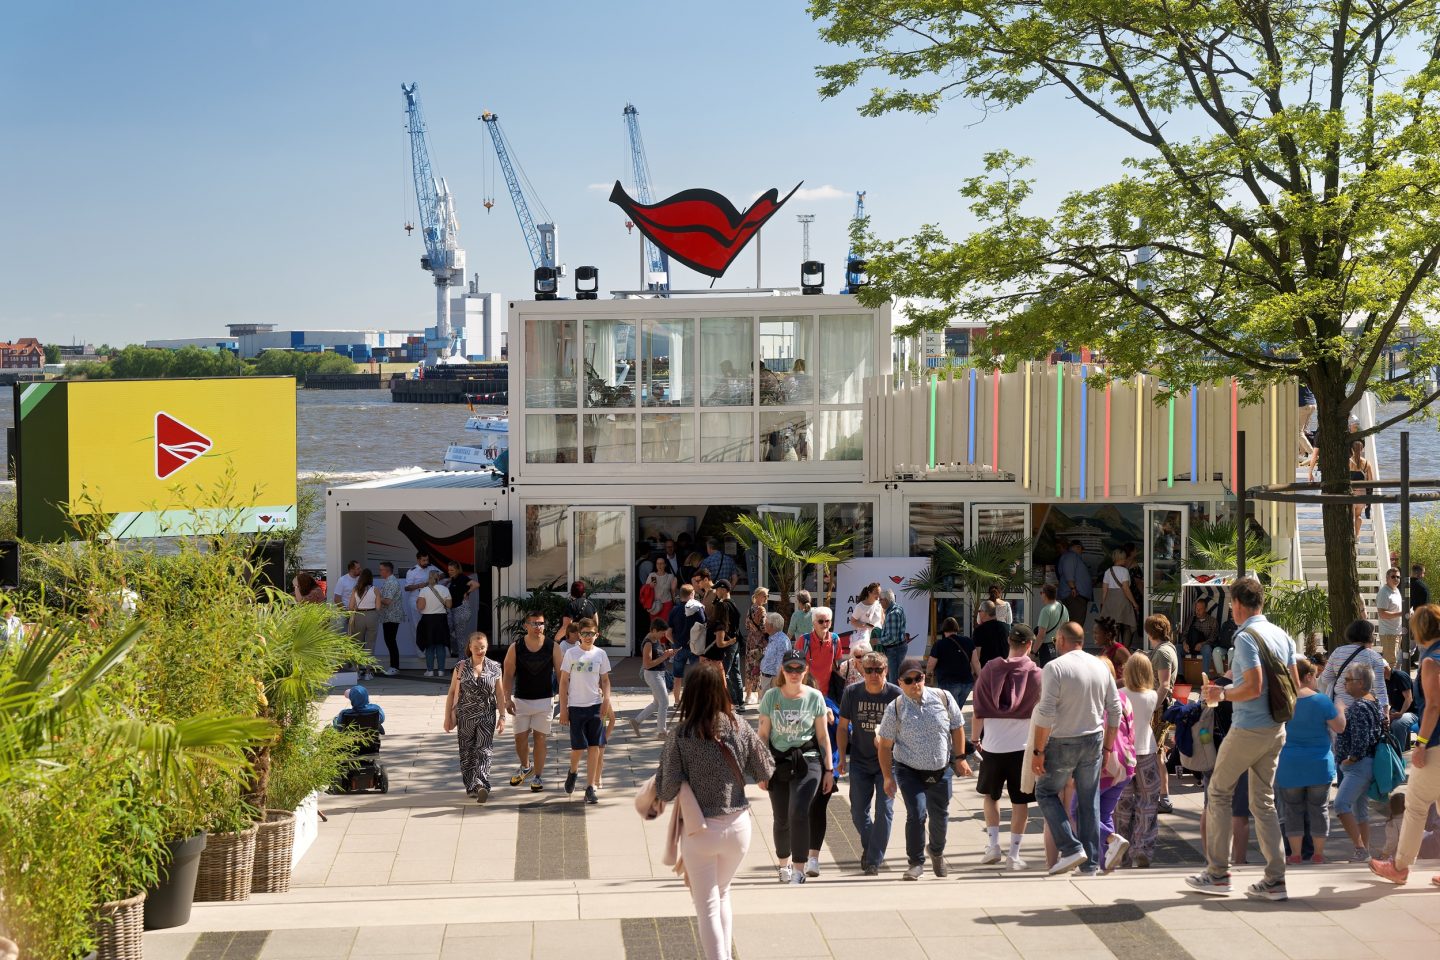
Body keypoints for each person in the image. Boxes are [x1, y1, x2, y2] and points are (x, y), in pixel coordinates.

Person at [1186, 576, 1299, 902]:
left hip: (1248, 727)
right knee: (1262, 802)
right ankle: (1275, 878)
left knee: (1219, 792)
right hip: (1276, 729)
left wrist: (1221, 694)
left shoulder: (1246, 636)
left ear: (1236, 604)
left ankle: (1218, 873)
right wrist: (1228, 681)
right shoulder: (1281, 635)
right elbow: (1292, 683)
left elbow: (1252, 686)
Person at [653, 660, 774, 960]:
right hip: (738, 827)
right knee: (722, 893)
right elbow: (765, 769)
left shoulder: (681, 734)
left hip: (701, 829)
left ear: (690, 692)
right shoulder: (738, 725)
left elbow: (666, 789)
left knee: (706, 902)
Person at [1031, 621, 1123, 875]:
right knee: (1088, 800)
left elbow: (1045, 713)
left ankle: (1071, 848)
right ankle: (1090, 864)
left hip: (1063, 740)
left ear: (1060, 639)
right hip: (1093, 739)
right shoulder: (1100, 665)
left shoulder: (1054, 667)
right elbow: (1115, 710)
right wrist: (1107, 748)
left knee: (1046, 792)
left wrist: (1038, 751)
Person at [876, 656, 973, 880]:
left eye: (918, 678)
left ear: (924, 677)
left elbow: (957, 728)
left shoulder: (943, 697)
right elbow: (884, 746)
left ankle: (936, 852)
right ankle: (916, 862)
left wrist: (960, 758)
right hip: (908, 769)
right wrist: (887, 777)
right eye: (908, 681)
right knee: (917, 813)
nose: (914, 684)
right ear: (899, 682)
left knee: (940, 815)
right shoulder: (896, 709)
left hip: (940, 769)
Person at [1370, 604, 1440, 887]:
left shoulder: (1430, 661)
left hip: (1435, 742)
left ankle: (1399, 866)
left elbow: (1433, 706)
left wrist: (1421, 742)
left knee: (1416, 804)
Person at [758, 650, 833, 884]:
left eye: (798, 668)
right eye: (789, 668)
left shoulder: (814, 697)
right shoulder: (771, 697)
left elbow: (822, 737)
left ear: (805, 671)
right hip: (777, 761)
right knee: (781, 817)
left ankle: (799, 870)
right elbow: (762, 735)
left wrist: (829, 770)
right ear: (782, 670)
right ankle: (784, 864)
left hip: (808, 759)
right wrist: (761, 768)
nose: (793, 673)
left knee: (799, 811)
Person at [973, 626, 1042, 870]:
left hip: (992, 745)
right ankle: (1014, 854)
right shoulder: (1036, 674)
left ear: (1008, 642)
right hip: (1021, 749)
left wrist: (974, 741)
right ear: (1030, 645)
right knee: (1020, 802)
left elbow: (978, 709)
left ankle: (993, 845)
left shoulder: (990, 669)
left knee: (991, 797)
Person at [837, 651, 902, 874]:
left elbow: (906, 730)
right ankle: (872, 846)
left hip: (889, 764)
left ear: (886, 671)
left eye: (879, 670)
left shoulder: (896, 695)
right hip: (860, 762)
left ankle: (873, 860)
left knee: (884, 811)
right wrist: (841, 757)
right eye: (869, 670)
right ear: (861, 671)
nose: (874, 675)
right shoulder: (852, 692)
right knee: (857, 812)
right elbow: (843, 727)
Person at [1277, 658, 1344, 865]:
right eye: (1315, 676)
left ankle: (1295, 855)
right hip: (1319, 765)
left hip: (1290, 764)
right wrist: (1340, 708)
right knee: (1319, 809)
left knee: (1292, 810)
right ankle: (1318, 854)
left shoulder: (1284, 700)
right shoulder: (1322, 700)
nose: (1316, 680)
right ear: (1307, 676)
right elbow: (1339, 727)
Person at [503, 610, 563, 792]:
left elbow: (561, 675)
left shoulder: (553, 646)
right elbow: (507, 675)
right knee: (520, 739)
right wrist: (507, 699)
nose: (538, 627)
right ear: (526, 626)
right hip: (521, 700)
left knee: (540, 739)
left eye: (541, 623)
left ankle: (537, 776)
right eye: (534, 623)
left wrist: (564, 700)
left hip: (545, 700)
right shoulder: (516, 647)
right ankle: (525, 766)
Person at [443, 632, 506, 802]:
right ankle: (470, 786)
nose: (479, 650)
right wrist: (447, 717)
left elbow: (500, 694)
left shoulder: (495, 667)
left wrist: (502, 716)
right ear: (470, 647)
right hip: (465, 716)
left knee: (484, 750)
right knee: (467, 751)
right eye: (476, 647)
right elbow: (451, 693)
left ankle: (481, 784)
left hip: (487, 715)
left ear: (487, 647)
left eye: (483, 647)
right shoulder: (460, 667)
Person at [1114, 655, 1162, 867]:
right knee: (1148, 802)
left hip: (1124, 755)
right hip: (1147, 751)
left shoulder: (1119, 695)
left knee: (1122, 804)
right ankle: (1142, 846)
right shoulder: (1152, 696)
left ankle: (1120, 848)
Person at [1334, 663, 1384, 861]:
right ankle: (1364, 852)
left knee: (1340, 805)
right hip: (1367, 763)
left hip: (1358, 766)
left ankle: (1360, 848)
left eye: (1348, 680)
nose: (1345, 684)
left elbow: (1361, 738)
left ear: (1361, 683)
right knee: (1360, 811)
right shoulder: (1374, 702)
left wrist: (1351, 758)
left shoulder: (1359, 706)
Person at [558, 618, 612, 804]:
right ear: (579, 635)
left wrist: (606, 701)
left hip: (595, 706)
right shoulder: (571, 654)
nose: (588, 637)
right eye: (585, 633)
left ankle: (590, 787)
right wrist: (563, 710)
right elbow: (564, 681)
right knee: (578, 747)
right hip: (575, 707)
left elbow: (605, 681)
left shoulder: (601, 654)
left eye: (592, 633)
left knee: (594, 746)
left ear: (597, 635)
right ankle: (573, 771)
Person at [1319, 619, 1390, 716]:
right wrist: (1385, 714)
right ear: (1368, 635)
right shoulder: (1374, 657)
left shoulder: (1338, 652)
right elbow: (1380, 689)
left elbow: (1326, 678)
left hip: (1339, 707)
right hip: (1364, 710)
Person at [632, 619, 676, 738]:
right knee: (664, 702)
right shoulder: (648, 643)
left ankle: (636, 721)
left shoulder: (655, 640)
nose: (663, 636)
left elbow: (658, 657)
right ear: (654, 630)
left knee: (657, 703)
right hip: (653, 674)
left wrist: (666, 654)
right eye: (662, 633)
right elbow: (647, 664)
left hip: (658, 673)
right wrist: (665, 656)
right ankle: (661, 732)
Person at [705, 579, 743, 706]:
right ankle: (739, 702)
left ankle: (732, 702)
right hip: (734, 642)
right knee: (734, 672)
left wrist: (729, 640)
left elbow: (718, 617)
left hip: (729, 643)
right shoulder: (732, 604)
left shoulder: (725, 605)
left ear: (724, 590)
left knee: (724, 674)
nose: (715, 591)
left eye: (717, 589)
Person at [927, 617, 976, 711]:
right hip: (966, 683)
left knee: (952, 713)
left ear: (944, 629)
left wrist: (928, 674)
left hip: (948, 683)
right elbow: (976, 662)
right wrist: (980, 677)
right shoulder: (968, 641)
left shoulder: (939, 644)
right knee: (956, 711)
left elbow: (930, 664)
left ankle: (954, 725)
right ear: (957, 628)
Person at [795, 606, 841, 698]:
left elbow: (836, 665)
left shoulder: (835, 640)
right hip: (807, 692)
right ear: (813, 623)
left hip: (828, 693)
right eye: (821, 621)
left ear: (831, 623)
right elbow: (796, 665)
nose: (824, 624)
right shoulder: (803, 641)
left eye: (827, 621)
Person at [1098, 548, 1140, 648]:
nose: (1125, 560)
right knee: (1127, 626)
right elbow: (1125, 588)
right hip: (1122, 600)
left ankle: (1115, 649)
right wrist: (1134, 603)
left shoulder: (1108, 571)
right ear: (1121, 558)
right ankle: (1125, 649)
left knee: (1114, 626)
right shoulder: (1124, 571)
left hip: (1110, 600)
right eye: (1124, 558)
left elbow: (1104, 590)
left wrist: (1103, 604)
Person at [415, 569, 452, 677]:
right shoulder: (445, 589)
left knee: (429, 645)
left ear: (429, 578)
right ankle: (441, 671)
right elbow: (449, 605)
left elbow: (420, 607)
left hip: (428, 620)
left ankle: (430, 671)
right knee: (440, 646)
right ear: (438, 578)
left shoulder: (424, 590)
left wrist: (418, 602)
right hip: (441, 619)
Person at [668, 583, 701, 701]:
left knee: (677, 676)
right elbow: (703, 626)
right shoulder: (697, 609)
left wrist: (675, 642)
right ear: (692, 594)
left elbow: (668, 633)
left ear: (680, 595)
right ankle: (694, 701)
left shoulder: (674, 610)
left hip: (679, 647)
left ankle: (677, 701)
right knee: (696, 677)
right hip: (694, 647)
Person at [347, 568, 380, 680]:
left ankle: (356, 671)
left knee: (357, 644)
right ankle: (368, 672)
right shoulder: (375, 589)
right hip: (371, 615)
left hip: (358, 616)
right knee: (370, 644)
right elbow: (378, 607)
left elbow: (350, 607)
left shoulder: (355, 589)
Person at [445, 560, 479, 659]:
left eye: (452, 570)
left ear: (457, 570)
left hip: (461, 609)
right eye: (449, 570)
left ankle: (462, 662)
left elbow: (476, 584)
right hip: (454, 610)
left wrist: (467, 593)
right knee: (449, 631)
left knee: (460, 637)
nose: (450, 571)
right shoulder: (453, 579)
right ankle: (459, 654)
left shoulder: (462, 577)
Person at [874, 588, 910, 681]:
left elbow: (891, 638)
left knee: (894, 679)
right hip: (897, 648)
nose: (879, 603)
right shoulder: (898, 608)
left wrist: (877, 641)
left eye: (880, 600)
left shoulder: (892, 614)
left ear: (886, 600)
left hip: (894, 650)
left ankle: (895, 695)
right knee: (896, 677)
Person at [1057, 540, 1094, 626]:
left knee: (1074, 622)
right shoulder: (1071, 556)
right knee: (1076, 624)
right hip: (1074, 595)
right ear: (1077, 547)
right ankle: (1072, 639)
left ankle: (1071, 639)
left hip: (1075, 595)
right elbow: (1068, 572)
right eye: (1081, 549)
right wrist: (1072, 588)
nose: (1082, 552)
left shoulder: (1071, 557)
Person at [743, 586, 769, 705]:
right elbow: (764, 627)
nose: (765, 598)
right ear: (757, 596)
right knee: (759, 667)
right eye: (764, 595)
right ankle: (759, 696)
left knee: (749, 667)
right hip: (759, 643)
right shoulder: (761, 610)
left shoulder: (749, 608)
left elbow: (747, 626)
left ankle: (748, 696)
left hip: (750, 640)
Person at [376, 562, 403, 676]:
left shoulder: (391, 582)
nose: (380, 572)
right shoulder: (388, 581)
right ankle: (394, 666)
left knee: (391, 641)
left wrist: (377, 596)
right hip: (388, 616)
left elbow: (387, 601)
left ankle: (394, 666)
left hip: (392, 616)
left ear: (387, 571)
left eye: (381, 570)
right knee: (390, 641)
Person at [971, 600, 1012, 673]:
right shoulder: (1006, 627)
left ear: (985, 613)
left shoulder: (979, 630)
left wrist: (976, 674)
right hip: (1004, 669)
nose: (979, 613)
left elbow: (977, 656)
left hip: (987, 671)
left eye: (980, 611)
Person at [1385, 663, 1417, 748]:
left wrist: (1401, 713)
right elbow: (1387, 700)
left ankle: (1399, 753)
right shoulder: (1385, 680)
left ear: (1385, 668)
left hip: (1412, 711)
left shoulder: (1400, 676)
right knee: (1382, 721)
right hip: (1396, 709)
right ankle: (1387, 750)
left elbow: (1409, 698)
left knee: (1398, 724)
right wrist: (1387, 714)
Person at [1183, 598, 1221, 672]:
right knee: (1177, 648)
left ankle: (1205, 676)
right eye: (1196, 609)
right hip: (1189, 646)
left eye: (1200, 609)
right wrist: (1184, 643)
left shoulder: (1212, 621)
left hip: (1203, 647)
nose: (1197, 611)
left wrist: (1202, 644)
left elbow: (1213, 638)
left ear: (1205, 609)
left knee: (1207, 649)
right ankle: (1180, 676)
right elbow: (1184, 634)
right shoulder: (1191, 619)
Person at [1349, 439, 1377, 537]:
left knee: (1350, 516)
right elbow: (1371, 481)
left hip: (1350, 492)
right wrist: (1369, 500)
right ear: (1362, 449)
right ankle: (1357, 537)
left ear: (1352, 449)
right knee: (1358, 516)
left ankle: (1350, 536)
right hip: (1361, 493)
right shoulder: (1366, 463)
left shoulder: (1347, 462)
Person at [1376, 568, 1404, 665]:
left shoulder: (1396, 590)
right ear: (1387, 578)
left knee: (1394, 661)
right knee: (1390, 663)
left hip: (1396, 631)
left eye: (1398, 577)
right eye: (1393, 576)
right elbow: (1382, 614)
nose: (1396, 579)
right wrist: (1402, 613)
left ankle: (1391, 680)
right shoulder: (1384, 592)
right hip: (1389, 633)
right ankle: (1387, 680)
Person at [1034, 584, 1066, 663]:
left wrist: (1033, 652)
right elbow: (1066, 628)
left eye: (1041, 593)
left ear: (1045, 595)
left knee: (1047, 670)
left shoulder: (1046, 610)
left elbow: (1041, 635)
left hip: (1047, 647)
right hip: (1059, 645)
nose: (1041, 595)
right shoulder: (1063, 608)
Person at [758, 612, 791, 688]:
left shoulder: (781, 640)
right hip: (767, 679)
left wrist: (778, 682)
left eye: (766, 623)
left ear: (771, 626)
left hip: (774, 681)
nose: (764, 625)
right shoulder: (773, 637)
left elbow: (781, 663)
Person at [402, 551, 433, 632]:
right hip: (416, 600)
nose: (426, 562)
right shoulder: (412, 571)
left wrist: (434, 579)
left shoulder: (431, 567)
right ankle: (419, 644)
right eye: (424, 560)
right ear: (418, 560)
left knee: (429, 625)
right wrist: (419, 585)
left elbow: (443, 574)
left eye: (427, 560)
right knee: (418, 626)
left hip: (429, 600)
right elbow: (407, 588)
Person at [647, 555, 679, 622]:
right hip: (654, 606)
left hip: (667, 605)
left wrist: (675, 602)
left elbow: (673, 591)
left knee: (666, 627)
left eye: (661, 563)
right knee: (655, 628)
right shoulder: (652, 576)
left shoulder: (670, 576)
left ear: (665, 565)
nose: (659, 565)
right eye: (657, 563)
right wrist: (649, 586)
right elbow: (645, 591)